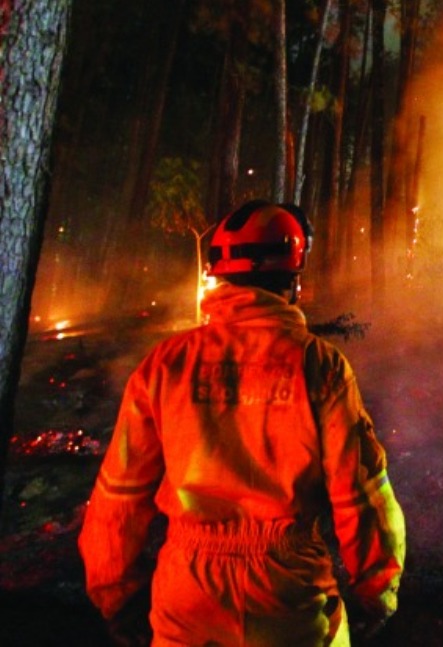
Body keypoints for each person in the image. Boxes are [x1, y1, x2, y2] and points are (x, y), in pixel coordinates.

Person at [79, 200, 405, 646]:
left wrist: (115, 596)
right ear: (294, 276)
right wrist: (377, 593)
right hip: (288, 599)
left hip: (187, 602)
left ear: (221, 275)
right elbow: (362, 494)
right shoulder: (319, 365)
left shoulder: (166, 364)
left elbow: (118, 497)